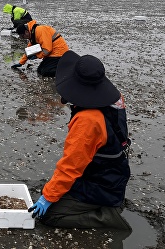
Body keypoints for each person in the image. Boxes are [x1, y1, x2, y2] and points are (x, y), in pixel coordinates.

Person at [27, 50, 131, 230]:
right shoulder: (114, 100)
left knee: (50, 215)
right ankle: (105, 203)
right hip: (115, 175)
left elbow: (71, 166)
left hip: (100, 184)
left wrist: (48, 197)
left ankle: (107, 216)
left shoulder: (88, 121)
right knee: (53, 189)